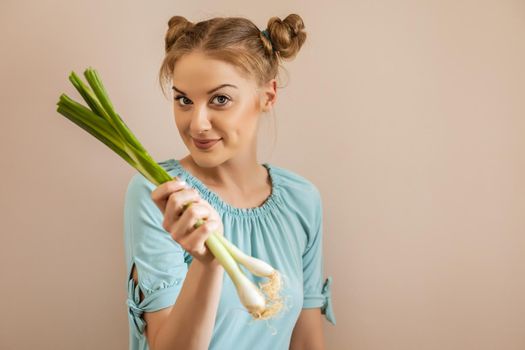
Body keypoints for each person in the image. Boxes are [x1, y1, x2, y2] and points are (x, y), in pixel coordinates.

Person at [123, 13, 336, 350]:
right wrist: (208, 263)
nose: (198, 124)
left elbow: (308, 340)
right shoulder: (160, 193)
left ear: (267, 96)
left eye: (220, 99)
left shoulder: (302, 199)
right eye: (184, 100)